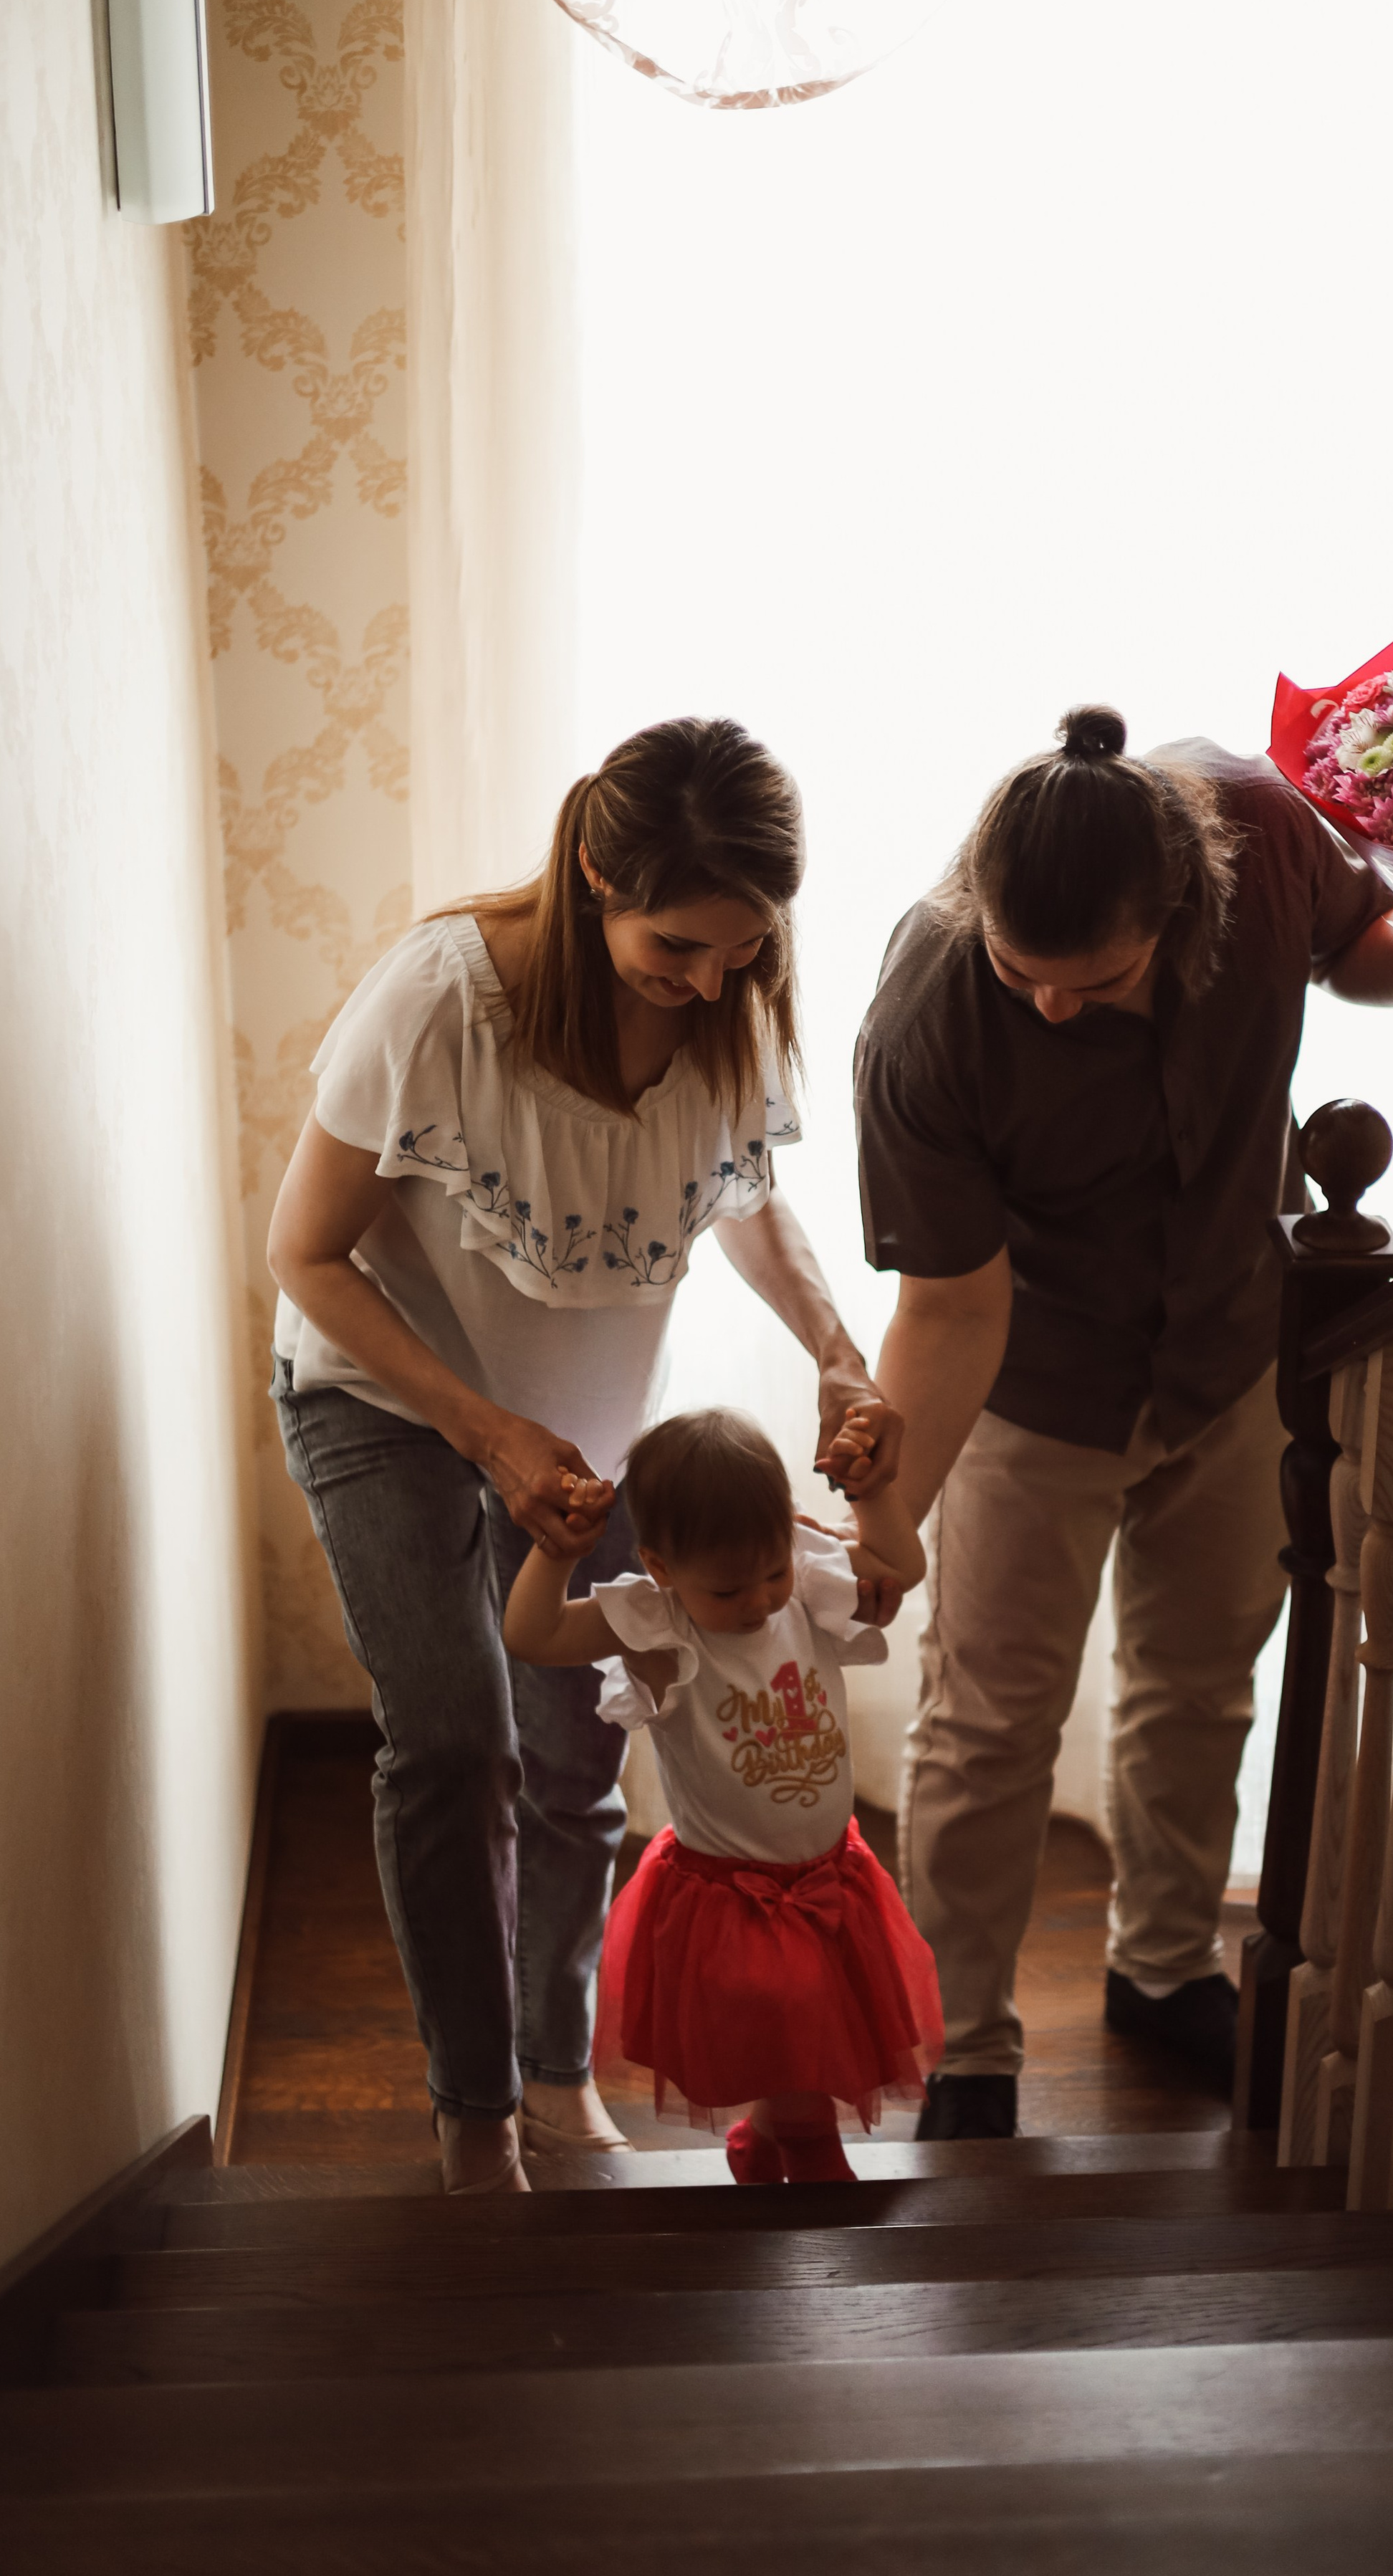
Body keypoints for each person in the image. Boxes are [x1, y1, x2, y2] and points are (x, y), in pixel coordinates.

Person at [855, 705, 1393, 2138]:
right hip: (1028, 1389)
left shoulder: (1258, 826)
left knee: (1199, 1683)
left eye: (1088, 980)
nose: (1046, 1005)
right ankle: (964, 2048)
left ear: (1181, 913)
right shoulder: (924, 1011)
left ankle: (1161, 1971)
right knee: (986, 1728)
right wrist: (876, 1530)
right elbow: (948, 1313)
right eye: (1015, 971)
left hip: (1233, 1352)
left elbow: (1357, 945)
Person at [267, 718, 896, 2197]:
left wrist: (838, 1352)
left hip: (583, 1433)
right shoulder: (438, 1003)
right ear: (593, 875)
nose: (711, 981)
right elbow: (306, 1253)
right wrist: (480, 1429)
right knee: (452, 1742)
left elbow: (740, 1196)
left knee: (577, 1756)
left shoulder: (729, 998)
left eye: (742, 951)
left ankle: (557, 2080)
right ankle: (472, 2106)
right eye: (676, 946)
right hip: (387, 1399)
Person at [502, 1406, 942, 2184]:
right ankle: (805, 2153)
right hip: (730, 1900)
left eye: (772, 1571)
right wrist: (555, 1552)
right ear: (662, 1566)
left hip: (831, 1880)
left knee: (801, 2043)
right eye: (730, 1587)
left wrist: (872, 1494)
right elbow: (532, 1637)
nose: (760, 1600)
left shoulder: (802, 1589)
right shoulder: (660, 1627)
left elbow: (897, 1567)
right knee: (794, 2043)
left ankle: (767, 2137)